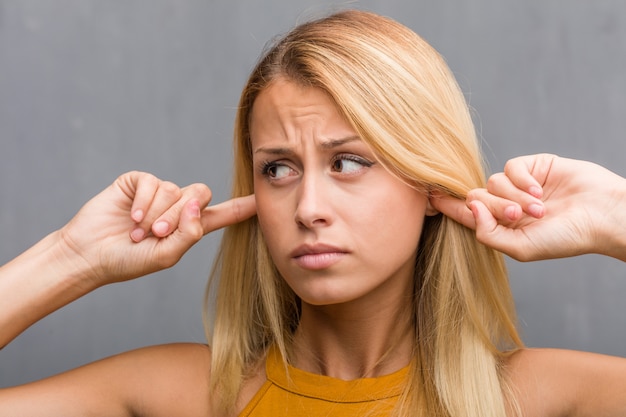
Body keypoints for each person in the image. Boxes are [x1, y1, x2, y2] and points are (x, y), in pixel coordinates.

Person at [1, 9, 625, 417]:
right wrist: (71, 257)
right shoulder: (190, 395)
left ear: (430, 181)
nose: (308, 208)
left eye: (349, 162)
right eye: (278, 168)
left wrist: (615, 216)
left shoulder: (540, 398)